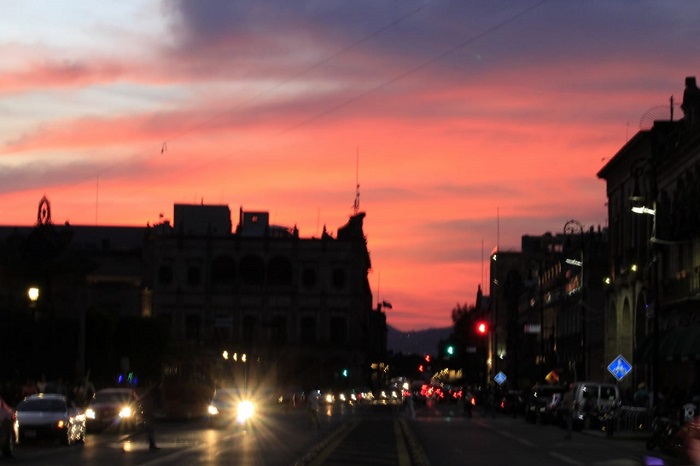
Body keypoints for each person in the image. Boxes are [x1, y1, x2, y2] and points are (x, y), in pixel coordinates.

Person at [140, 383, 160, 451]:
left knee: (151, 431)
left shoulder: (148, 399)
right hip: (148, 415)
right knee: (150, 430)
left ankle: (152, 445)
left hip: (149, 415)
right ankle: (152, 445)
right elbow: (146, 408)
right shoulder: (146, 400)